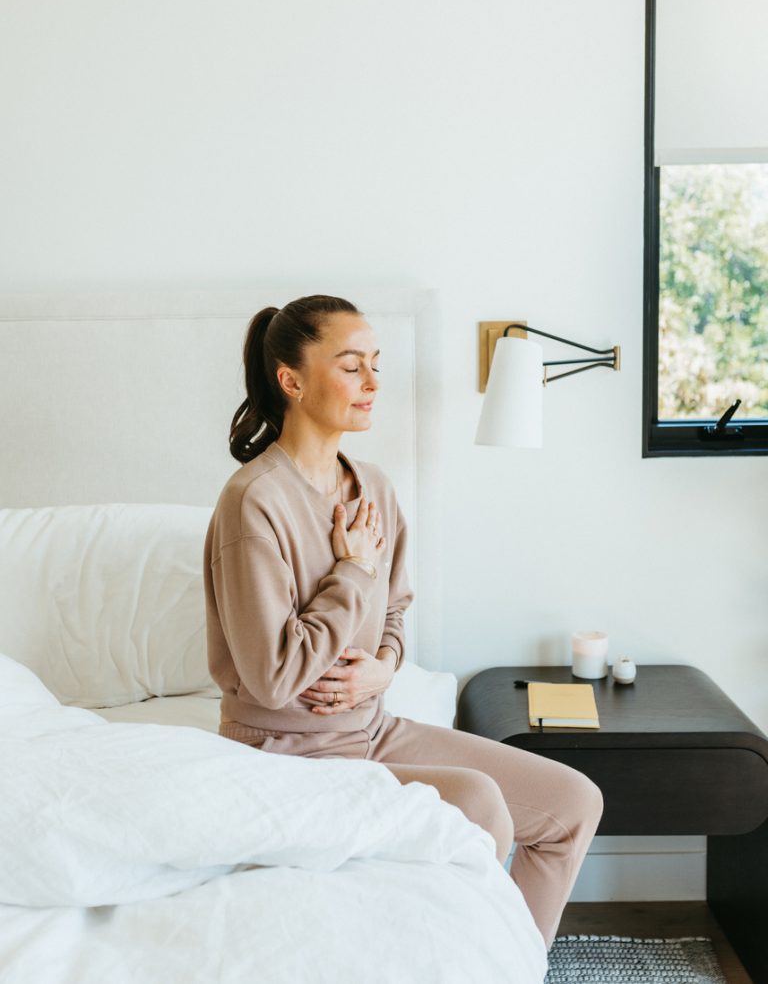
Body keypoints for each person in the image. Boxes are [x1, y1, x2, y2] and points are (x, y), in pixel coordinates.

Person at [203, 294, 603, 949]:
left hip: (371, 727)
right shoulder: (255, 500)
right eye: (352, 365)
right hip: (288, 753)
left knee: (573, 803)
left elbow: (393, 611)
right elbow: (272, 677)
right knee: (478, 802)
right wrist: (352, 572)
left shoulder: (374, 488)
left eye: (376, 366)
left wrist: (383, 669)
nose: (372, 383)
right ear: (291, 379)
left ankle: (513, 963)